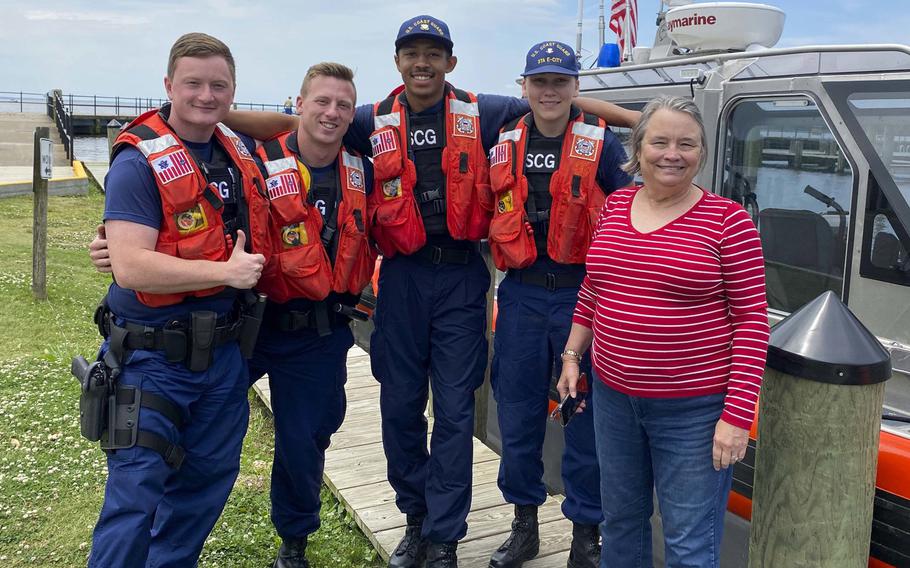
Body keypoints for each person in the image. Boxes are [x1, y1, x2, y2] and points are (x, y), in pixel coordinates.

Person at [224, 16, 637, 568]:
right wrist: (216, 113)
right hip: (402, 278)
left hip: (465, 278)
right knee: (398, 405)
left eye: (434, 53)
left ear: (451, 62)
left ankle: (446, 535)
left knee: (456, 412)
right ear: (397, 61)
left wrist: (646, 121)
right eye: (412, 52)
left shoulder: (485, 112)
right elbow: (288, 123)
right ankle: (415, 521)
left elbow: (560, 106)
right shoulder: (370, 119)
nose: (423, 62)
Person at [557, 95, 770, 568]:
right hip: (613, 399)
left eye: (686, 144)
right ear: (639, 148)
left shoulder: (728, 221)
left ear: (701, 154)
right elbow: (594, 288)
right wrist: (573, 356)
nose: (672, 153)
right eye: (660, 141)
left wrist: (736, 418)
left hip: (693, 411)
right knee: (621, 523)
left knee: (689, 544)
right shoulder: (616, 203)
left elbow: (753, 323)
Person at [85, 32, 270, 567]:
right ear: (168, 85)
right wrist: (226, 271)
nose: (206, 96)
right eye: (192, 84)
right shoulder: (137, 162)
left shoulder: (234, 148)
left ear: (235, 92)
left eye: (219, 86)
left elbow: (294, 129)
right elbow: (132, 265)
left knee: (203, 490)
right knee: (134, 498)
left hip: (222, 360)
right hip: (151, 361)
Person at [485, 40, 631, 568]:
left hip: (583, 295)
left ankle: (585, 536)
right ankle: (524, 525)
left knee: (585, 420)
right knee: (518, 412)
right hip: (521, 294)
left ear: (576, 88)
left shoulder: (604, 146)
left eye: (560, 81)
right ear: (524, 87)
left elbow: (637, 209)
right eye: (540, 81)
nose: (549, 91)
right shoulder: (501, 138)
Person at [250, 62, 374, 568]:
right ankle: (172, 529)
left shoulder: (364, 167)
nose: (331, 112)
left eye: (343, 105)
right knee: (200, 424)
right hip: (251, 325)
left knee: (306, 440)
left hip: (319, 332)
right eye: (321, 101)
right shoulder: (252, 163)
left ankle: (293, 543)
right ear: (297, 104)